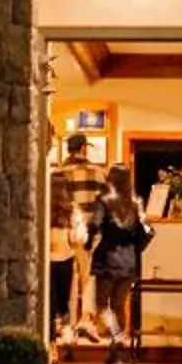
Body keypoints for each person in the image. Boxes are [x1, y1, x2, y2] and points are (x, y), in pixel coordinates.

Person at [89, 166, 153, 364]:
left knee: (102, 305)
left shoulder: (103, 200)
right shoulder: (137, 202)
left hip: (108, 258)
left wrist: (88, 242)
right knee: (118, 305)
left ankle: (117, 340)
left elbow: (95, 224)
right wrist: (137, 249)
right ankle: (116, 349)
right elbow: (148, 230)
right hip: (129, 261)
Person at [48, 133, 106, 343]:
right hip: (88, 234)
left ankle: (66, 324)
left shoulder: (58, 173)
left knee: (66, 279)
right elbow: (104, 205)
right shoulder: (99, 173)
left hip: (63, 230)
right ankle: (86, 319)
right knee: (87, 275)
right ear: (83, 149)